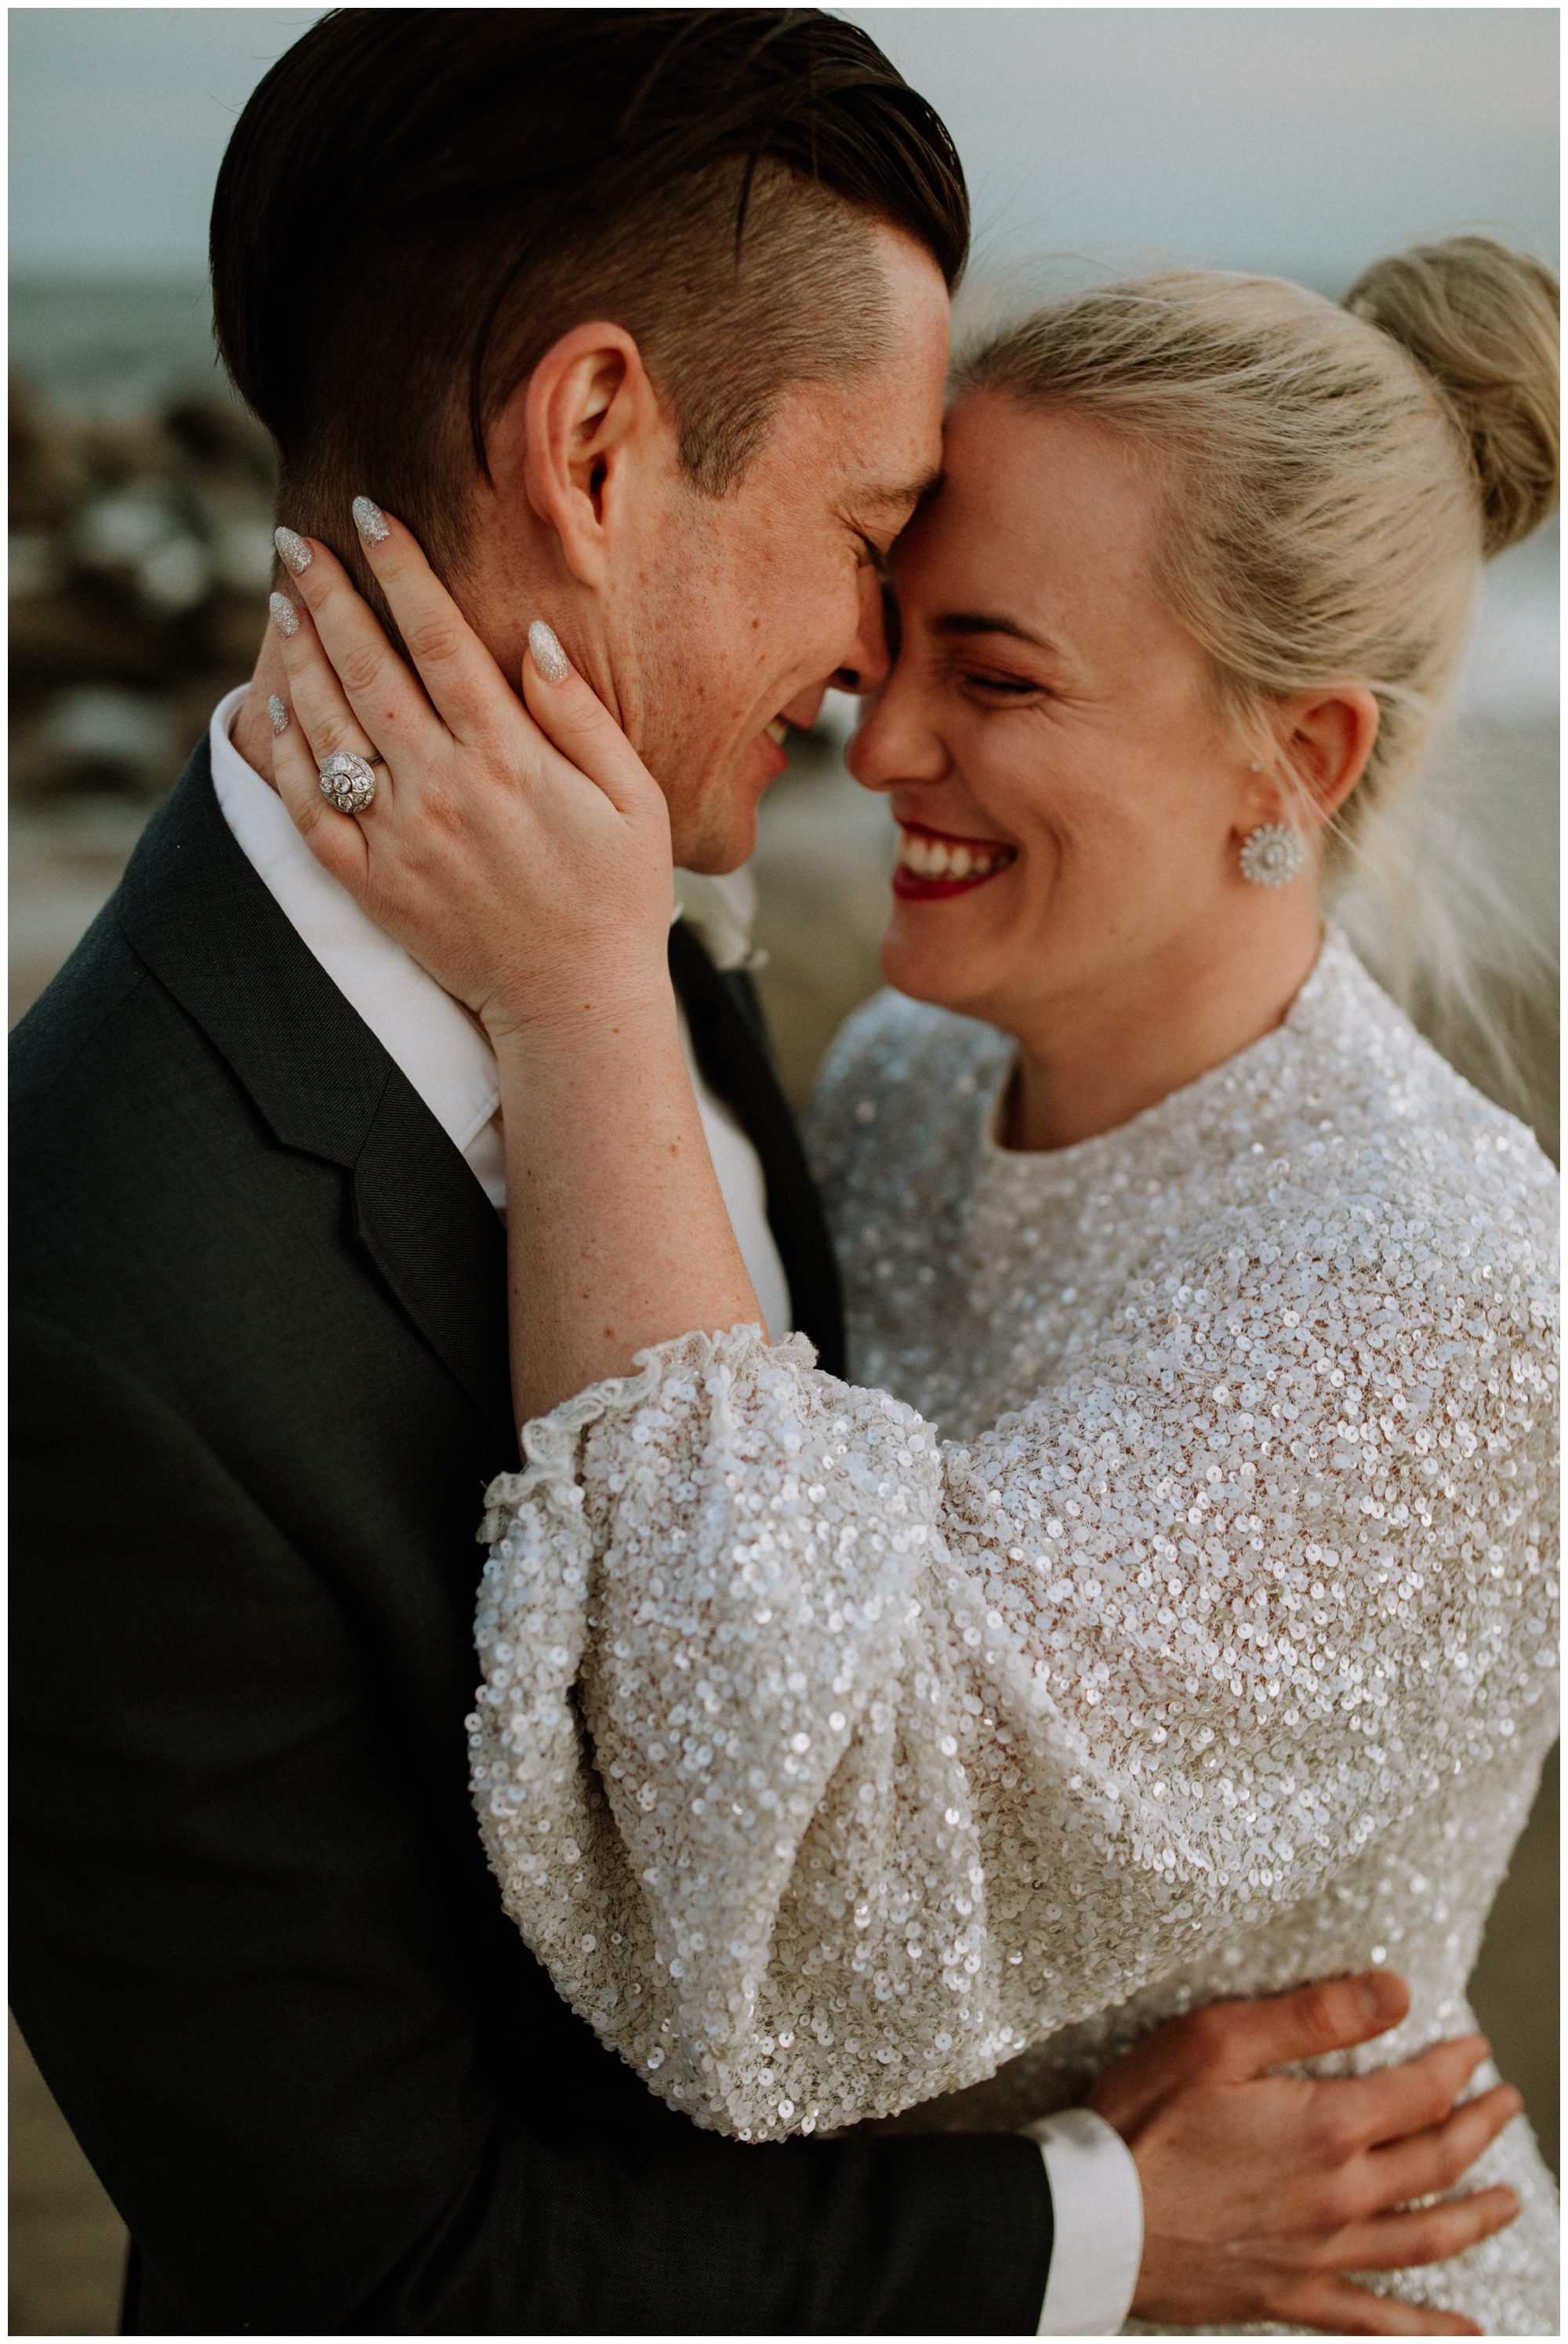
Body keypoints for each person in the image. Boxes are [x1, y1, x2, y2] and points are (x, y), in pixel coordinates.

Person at [5, 8, 1528, 2332]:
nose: (862, 695)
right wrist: (1098, 2229)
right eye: (868, 547)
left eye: (969, 646)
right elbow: (367, 2254)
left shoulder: (659, 950)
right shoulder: (79, 1279)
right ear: (601, 443)